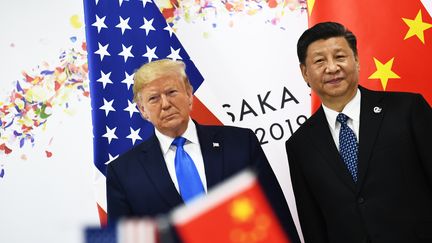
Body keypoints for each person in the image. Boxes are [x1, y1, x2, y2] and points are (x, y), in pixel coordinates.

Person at [106, 59, 300, 242]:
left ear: (189, 95)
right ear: (142, 110)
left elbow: (277, 215)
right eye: (154, 98)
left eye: (172, 92)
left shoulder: (240, 143)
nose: (165, 104)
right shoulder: (123, 173)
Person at [286, 21, 432, 243]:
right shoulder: (300, 144)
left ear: (356, 60)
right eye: (319, 61)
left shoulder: (407, 109)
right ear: (305, 72)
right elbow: (312, 223)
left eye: (340, 57)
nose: (332, 68)